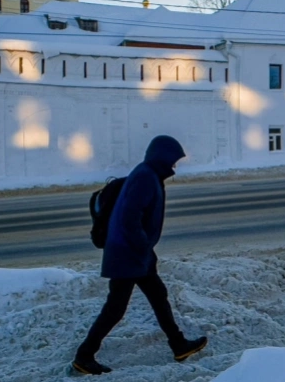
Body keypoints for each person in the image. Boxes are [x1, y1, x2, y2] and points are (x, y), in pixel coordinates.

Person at [72, 135, 208, 375]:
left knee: (158, 296)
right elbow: (130, 217)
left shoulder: (148, 174)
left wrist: (146, 249)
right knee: (115, 308)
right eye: (173, 161)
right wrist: (143, 245)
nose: (174, 166)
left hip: (136, 252)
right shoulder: (145, 177)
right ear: (162, 157)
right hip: (128, 253)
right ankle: (84, 356)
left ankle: (178, 345)